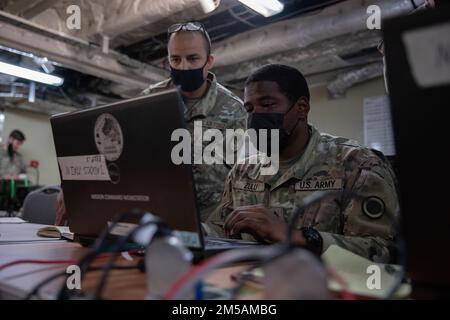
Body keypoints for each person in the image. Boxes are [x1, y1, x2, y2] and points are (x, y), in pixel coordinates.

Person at [55, 21, 247, 225]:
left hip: (211, 225)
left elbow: (248, 175)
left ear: (209, 61)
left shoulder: (236, 110)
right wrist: (77, 187)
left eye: (192, 59)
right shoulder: (150, 99)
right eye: (176, 59)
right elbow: (117, 153)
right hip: (157, 219)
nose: (183, 66)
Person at [205, 64, 399, 263]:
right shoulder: (242, 172)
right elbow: (222, 228)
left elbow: (384, 251)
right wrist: (190, 230)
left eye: (268, 104)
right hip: (253, 284)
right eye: (250, 108)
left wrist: (299, 237)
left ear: (301, 108)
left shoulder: (357, 165)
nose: (256, 115)